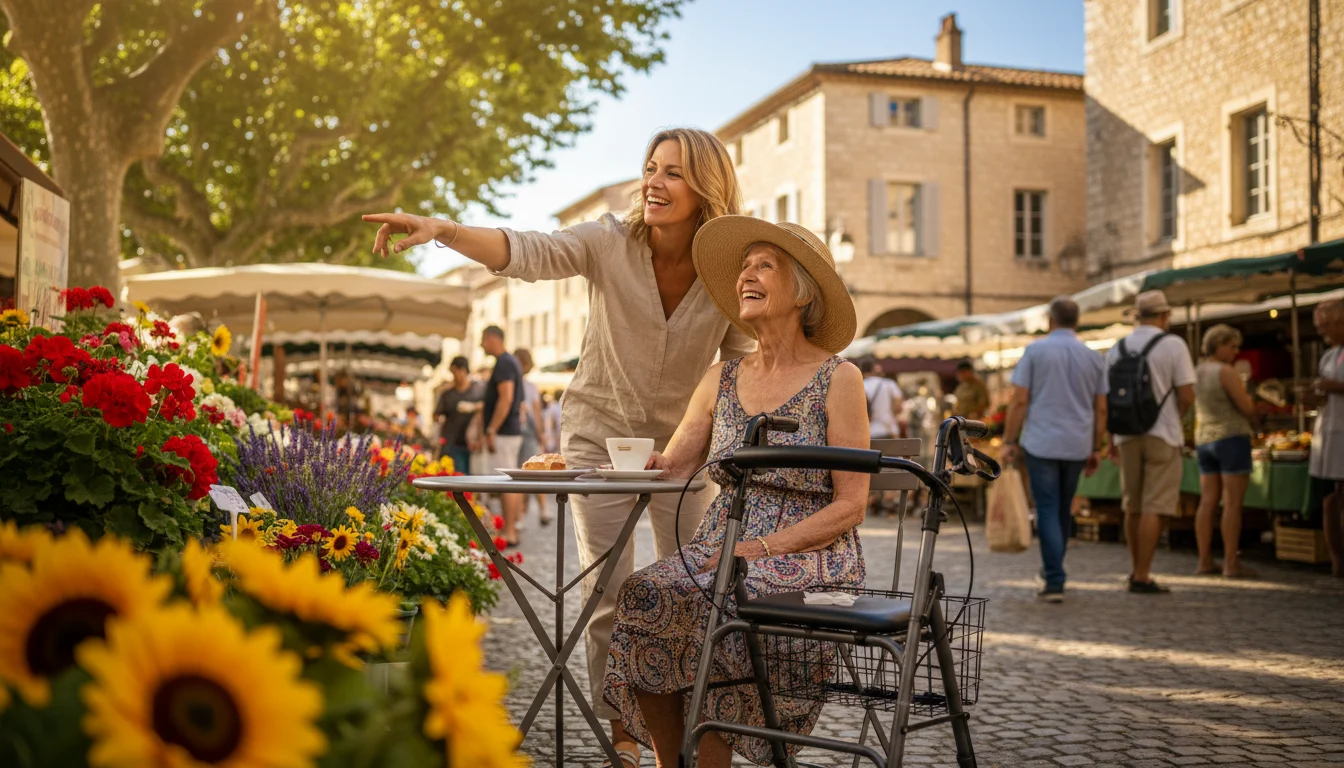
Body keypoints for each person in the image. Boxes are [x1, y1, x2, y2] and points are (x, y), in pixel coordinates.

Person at [364, 127, 754, 764]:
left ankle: (681, 742)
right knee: (609, 593)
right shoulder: (608, 240)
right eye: (650, 167)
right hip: (599, 440)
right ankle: (624, 737)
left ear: (707, 187)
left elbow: (735, 372)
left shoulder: (726, 270)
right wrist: (441, 229)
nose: (654, 182)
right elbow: (530, 250)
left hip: (687, 450)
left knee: (690, 593)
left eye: (673, 173)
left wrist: (717, 446)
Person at [604, 218, 866, 767]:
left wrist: (767, 547)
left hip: (810, 552)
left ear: (801, 293)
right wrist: (643, 464)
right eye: (745, 266)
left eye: (764, 265)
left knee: (715, 602)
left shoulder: (839, 379)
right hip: (722, 543)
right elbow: (674, 465)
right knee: (645, 593)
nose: (747, 274)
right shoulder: (720, 378)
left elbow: (851, 503)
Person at [1001, 296, 1108, 602]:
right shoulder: (1093, 357)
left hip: (1042, 441)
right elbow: (1101, 409)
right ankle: (1055, 571)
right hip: (1077, 443)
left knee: (1047, 507)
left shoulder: (1035, 351)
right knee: (1063, 506)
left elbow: (1019, 400)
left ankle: (1054, 579)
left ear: (1051, 320)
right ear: (1077, 321)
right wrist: (1096, 446)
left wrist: (1010, 440)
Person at [1106, 290, 1196, 594]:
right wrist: (1175, 417)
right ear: (1165, 316)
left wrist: (1109, 439)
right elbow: (1186, 395)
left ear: (1136, 316)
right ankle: (1143, 574)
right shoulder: (1173, 345)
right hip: (1163, 433)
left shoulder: (1117, 348)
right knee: (1154, 505)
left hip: (1126, 434)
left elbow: (1107, 400)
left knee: (1132, 504)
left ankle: (1135, 569)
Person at [1193, 324, 1260, 578]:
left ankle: (1204, 560)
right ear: (1218, 344)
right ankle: (1231, 562)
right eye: (1231, 346)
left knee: (1207, 501)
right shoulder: (1226, 372)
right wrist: (1254, 408)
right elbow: (1245, 407)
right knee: (1232, 503)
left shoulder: (1197, 370)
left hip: (1204, 438)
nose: (1235, 351)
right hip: (1231, 436)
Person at [476, 326, 526, 545]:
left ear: (492, 338)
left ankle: (509, 532)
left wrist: (491, 429)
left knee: (508, 483)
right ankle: (511, 528)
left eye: (483, 340)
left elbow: (506, 399)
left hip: (504, 432)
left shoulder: (505, 362)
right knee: (510, 482)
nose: (481, 345)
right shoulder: (510, 361)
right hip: (509, 431)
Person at [1308, 300, 1344, 578]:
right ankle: (1337, 558)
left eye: (1325, 327)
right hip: (1332, 431)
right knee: (1333, 497)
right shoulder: (1329, 356)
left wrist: (1336, 387)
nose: (1322, 334)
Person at [513, 348, 552, 525]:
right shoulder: (529, 386)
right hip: (529, 434)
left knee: (519, 475)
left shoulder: (512, 383)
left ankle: (520, 516)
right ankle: (542, 511)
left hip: (515, 431)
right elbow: (537, 413)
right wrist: (541, 435)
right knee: (534, 473)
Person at [860, 358, 903, 515]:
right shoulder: (888, 384)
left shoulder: (860, 385)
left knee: (868, 467)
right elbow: (898, 407)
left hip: (867, 432)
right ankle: (889, 500)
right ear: (874, 369)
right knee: (889, 467)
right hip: (887, 430)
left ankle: (873, 500)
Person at [432, 356, 483, 473]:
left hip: (471, 441)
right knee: (457, 473)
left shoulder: (476, 391)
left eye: (455, 372)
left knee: (470, 474)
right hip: (452, 441)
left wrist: (473, 407)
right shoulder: (447, 394)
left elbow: (484, 407)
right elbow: (436, 415)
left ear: (464, 371)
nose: (454, 376)